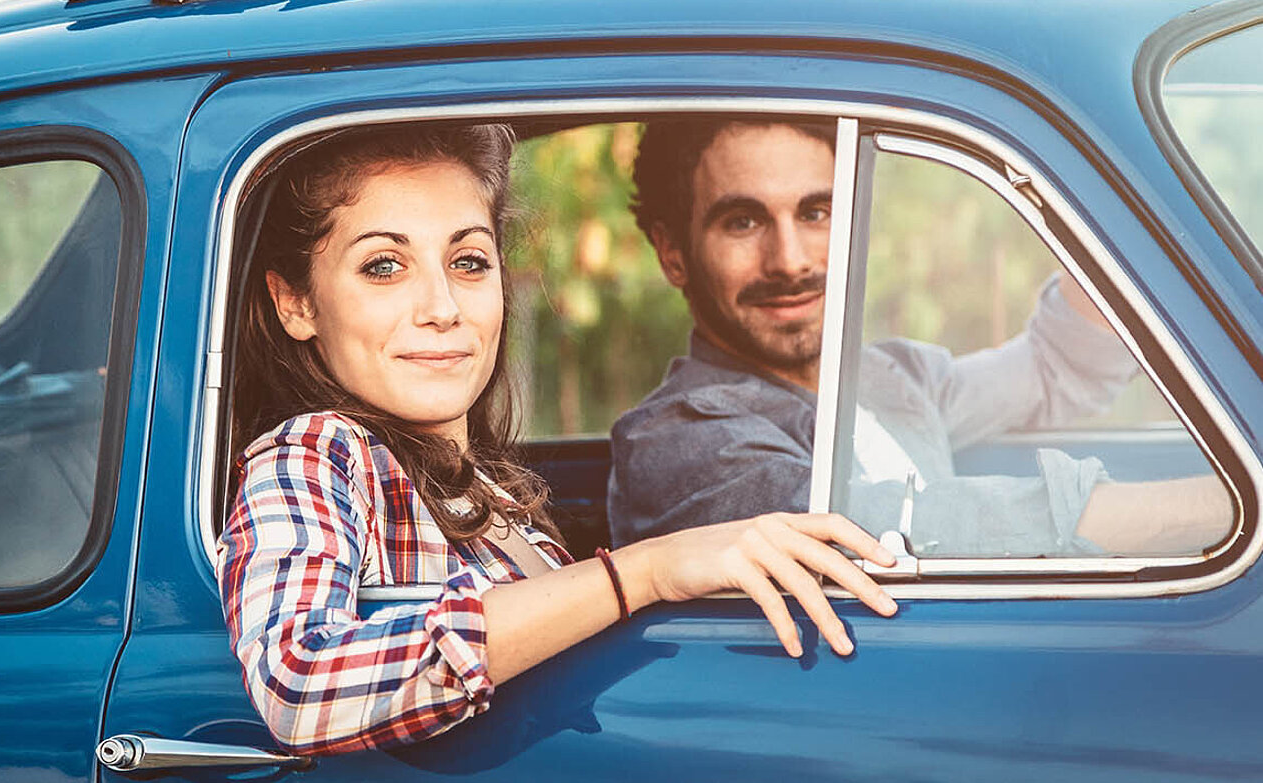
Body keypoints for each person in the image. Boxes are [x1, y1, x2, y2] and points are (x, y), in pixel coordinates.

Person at [217, 123, 899, 756]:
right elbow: (298, 679)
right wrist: (644, 570)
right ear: (297, 302)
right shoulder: (314, 452)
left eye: (469, 261)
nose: (443, 309)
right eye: (384, 267)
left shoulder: (490, 494)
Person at [609, 118, 1233, 556]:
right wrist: (1228, 511)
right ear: (673, 254)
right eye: (742, 221)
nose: (790, 259)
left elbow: (1054, 369)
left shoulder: (892, 378)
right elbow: (888, 530)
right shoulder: (674, 442)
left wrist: (1117, 198)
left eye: (816, 212)